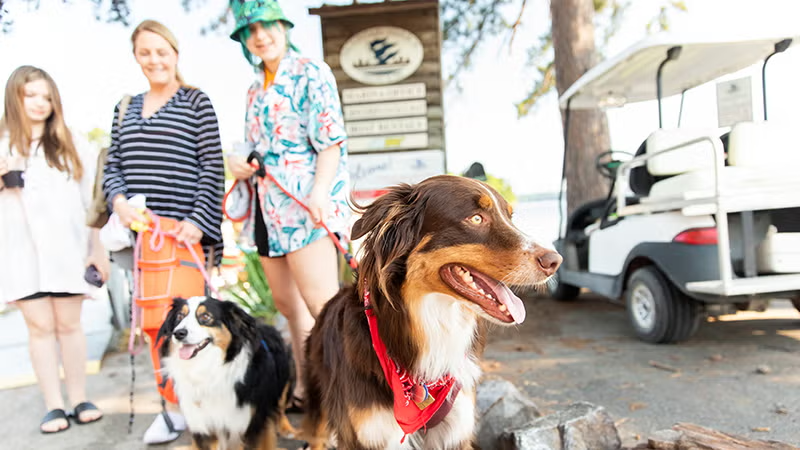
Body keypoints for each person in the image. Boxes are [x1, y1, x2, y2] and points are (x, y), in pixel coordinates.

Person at [102, 19, 225, 444]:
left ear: (175, 54)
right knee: (154, 325)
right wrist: (117, 201)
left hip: (186, 237)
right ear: (136, 57)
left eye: (162, 51)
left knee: (190, 325)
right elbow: (112, 165)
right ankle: (171, 409)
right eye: (145, 52)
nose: (154, 60)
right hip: (143, 241)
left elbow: (212, 165)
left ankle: (205, 408)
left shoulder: (196, 102)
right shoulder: (124, 107)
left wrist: (197, 219)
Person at [226, 0, 351, 413]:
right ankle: (306, 389)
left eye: (266, 26)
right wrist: (239, 164)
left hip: (304, 204)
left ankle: (343, 398)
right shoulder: (251, 87)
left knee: (323, 307)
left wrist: (320, 192)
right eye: (251, 30)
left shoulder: (312, 71)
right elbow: (253, 145)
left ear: (282, 25)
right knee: (288, 305)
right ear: (244, 39)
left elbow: (331, 140)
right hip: (266, 208)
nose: (260, 35)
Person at [0, 65, 108, 434]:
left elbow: (92, 203)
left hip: (69, 250)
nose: (39, 103)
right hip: (21, 255)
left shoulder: (70, 142)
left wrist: (98, 249)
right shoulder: (1, 144)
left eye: (47, 96)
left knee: (68, 325)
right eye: (31, 95)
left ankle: (78, 397)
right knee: (40, 328)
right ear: (15, 97)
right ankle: (54, 405)